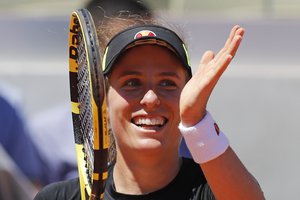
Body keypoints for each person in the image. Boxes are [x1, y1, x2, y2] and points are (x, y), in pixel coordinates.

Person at [34, 13, 265, 200]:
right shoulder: (58, 197)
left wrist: (196, 120)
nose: (151, 99)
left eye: (168, 83)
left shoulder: (214, 190)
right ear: (103, 99)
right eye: (132, 83)